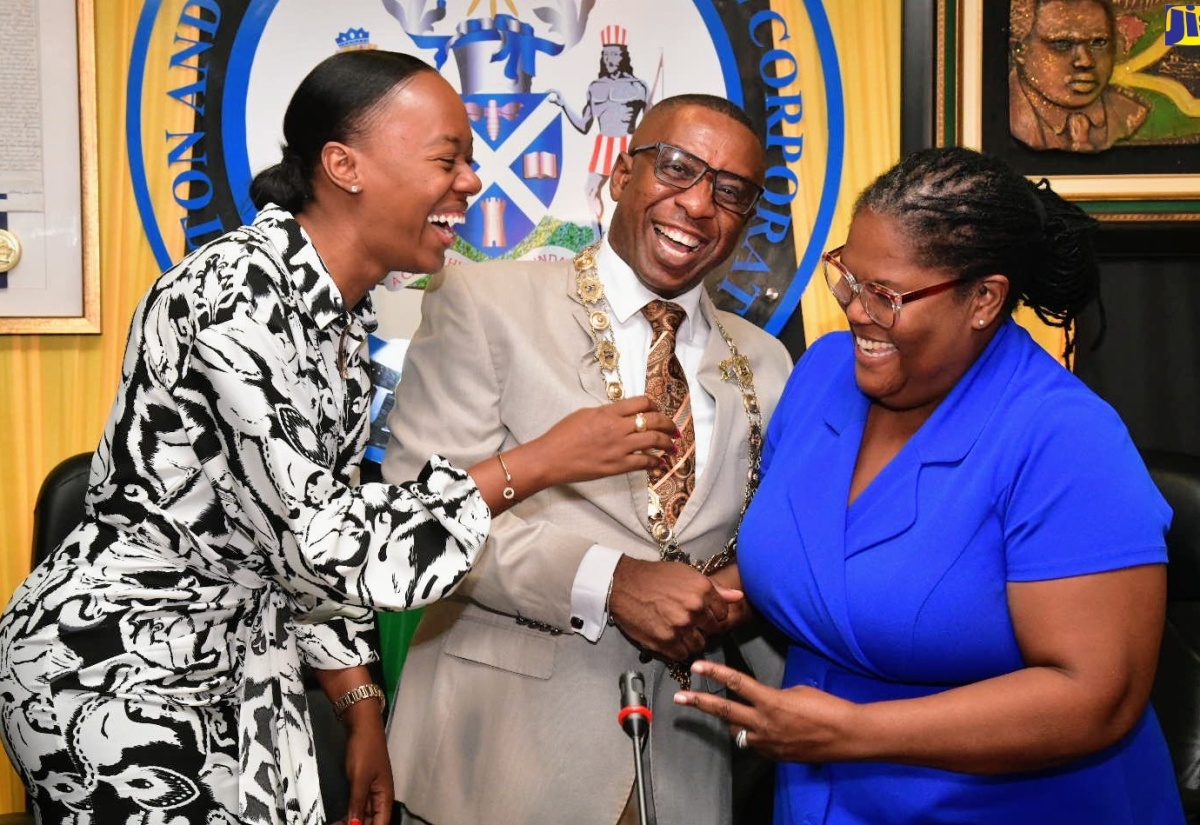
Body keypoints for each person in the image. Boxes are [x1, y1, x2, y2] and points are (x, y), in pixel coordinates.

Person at [0, 50, 678, 825]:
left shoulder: (341, 319)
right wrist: (536, 462)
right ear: (343, 164)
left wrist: (358, 706)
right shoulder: (235, 294)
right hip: (115, 671)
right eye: (447, 159)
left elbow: (295, 551)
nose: (470, 183)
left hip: (236, 670)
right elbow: (330, 539)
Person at [674, 145, 1185, 823]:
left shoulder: (1065, 438)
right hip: (824, 793)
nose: (855, 310)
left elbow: (1097, 695)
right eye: (848, 278)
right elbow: (832, 555)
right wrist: (720, 595)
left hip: (1010, 803)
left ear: (983, 299)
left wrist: (852, 731)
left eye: (886, 295)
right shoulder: (826, 372)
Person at [382, 93, 794, 825]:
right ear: (618, 172)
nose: (699, 204)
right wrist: (610, 582)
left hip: (684, 763)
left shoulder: (764, 362)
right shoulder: (484, 301)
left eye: (731, 191)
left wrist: (742, 584)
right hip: (496, 759)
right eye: (677, 167)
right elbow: (420, 518)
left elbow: (767, 537)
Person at [1009, 0, 1148, 152]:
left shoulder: (1130, 114)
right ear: (1020, 49)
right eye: (1062, 44)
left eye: (1099, 42)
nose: (1085, 61)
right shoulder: (1004, 114)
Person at [548, 25, 650, 225]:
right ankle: (598, 238)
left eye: (614, 55)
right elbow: (584, 125)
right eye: (606, 55)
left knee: (632, 195)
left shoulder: (638, 86)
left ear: (623, 57)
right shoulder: (595, 87)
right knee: (590, 190)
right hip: (603, 145)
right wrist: (564, 105)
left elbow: (651, 122)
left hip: (628, 147)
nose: (609, 60)